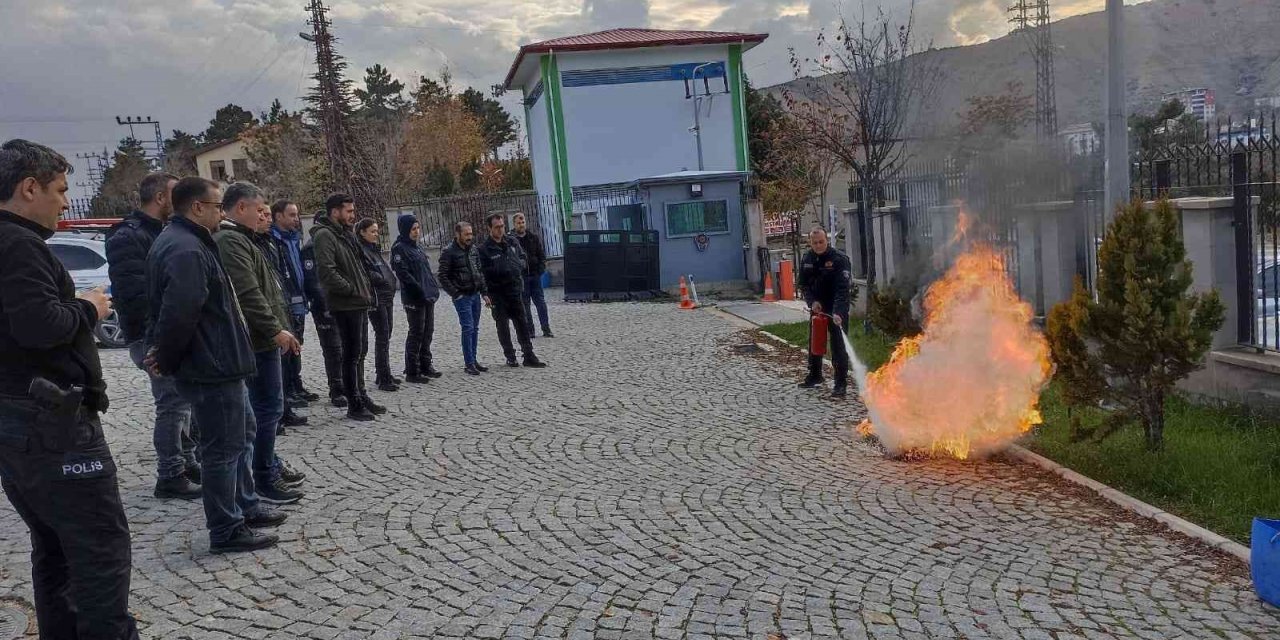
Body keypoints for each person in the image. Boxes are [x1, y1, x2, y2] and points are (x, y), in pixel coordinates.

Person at [0, 139, 140, 638]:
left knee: (56, 547)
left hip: (22, 420)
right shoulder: (18, 244)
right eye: (60, 190)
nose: (65, 201)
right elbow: (40, 325)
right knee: (100, 548)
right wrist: (90, 309)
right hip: (52, 422)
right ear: (29, 187)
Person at [146, 176, 285, 554]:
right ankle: (226, 528)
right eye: (216, 205)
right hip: (212, 365)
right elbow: (179, 314)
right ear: (196, 208)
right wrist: (167, 360)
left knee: (242, 434)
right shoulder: (185, 249)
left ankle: (246, 503)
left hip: (223, 362)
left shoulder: (189, 241)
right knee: (221, 448)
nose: (221, 212)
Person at [106, 171, 202, 500]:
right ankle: (170, 473)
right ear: (161, 198)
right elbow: (135, 295)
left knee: (183, 402)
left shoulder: (163, 231)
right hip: (150, 336)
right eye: (175, 196)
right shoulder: (127, 236)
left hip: (169, 331)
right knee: (171, 404)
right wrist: (160, 340)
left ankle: (187, 462)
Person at [213, 184, 305, 504]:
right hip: (257, 340)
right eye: (259, 209)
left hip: (264, 338)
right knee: (266, 410)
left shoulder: (245, 239)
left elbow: (268, 290)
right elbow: (248, 294)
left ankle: (267, 467)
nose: (263, 214)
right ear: (241, 208)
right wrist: (275, 330)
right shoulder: (230, 242)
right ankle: (263, 476)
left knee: (268, 409)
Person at [311, 194, 384, 421]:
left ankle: (361, 395)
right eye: (349, 211)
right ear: (335, 212)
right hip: (345, 304)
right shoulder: (325, 235)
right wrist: (353, 289)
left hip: (357, 303)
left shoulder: (344, 234)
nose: (353, 216)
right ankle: (353, 402)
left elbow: (358, 265)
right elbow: (327, 272)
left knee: (359, 352)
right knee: (350, 354)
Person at [268, 199, 318, 425]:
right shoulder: (273, 239)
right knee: (286, 349)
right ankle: (287, 390)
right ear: (278, 216)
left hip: (299, 299)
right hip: (285, 301)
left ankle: (296, 386)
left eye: (297, 215)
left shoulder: (293, 239)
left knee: (297, 345)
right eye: (292, 215)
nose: (296, 219)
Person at [478, 213, 547, 369]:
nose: (500, 230)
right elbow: (482, 272)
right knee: (502, 326)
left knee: (522, 323)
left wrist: (517, 267)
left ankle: (529, 355)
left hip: (514, 289)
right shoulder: (484, 249)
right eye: (497, 227)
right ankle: (510, 356)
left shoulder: (512, 241)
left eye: (502, 226)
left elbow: (523, 257)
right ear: (490, 228)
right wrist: (486, 291)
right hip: (497, 292)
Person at [797, 227, 852, 398]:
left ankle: (840, 383)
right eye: (815, 243)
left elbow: (842, 290)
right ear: (810, 243)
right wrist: (812, 302)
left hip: (836, 308)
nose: (819, 245)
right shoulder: (807, 258)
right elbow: (803, 285)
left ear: (826, 241)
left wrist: (838, 313)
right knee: (815, 341)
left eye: (821, 242)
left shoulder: (839, 259)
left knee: (838, 346)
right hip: (817, 308)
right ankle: (815, 375)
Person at [301, 212, 346, 408]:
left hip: (341, 304)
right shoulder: (311, 248)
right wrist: (327, 303)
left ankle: (348, 384)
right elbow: (313, 282)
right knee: (333, 350)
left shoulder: (337, 242)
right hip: (325, 307)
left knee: (346, 348)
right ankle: (336, 389)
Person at [391, 213, 442, 384]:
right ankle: (412, 370)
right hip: (414, 298)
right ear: (405, 230)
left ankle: (426, 364)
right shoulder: (399, 248)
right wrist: (420, 291)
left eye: (418, 228)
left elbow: (426, 272)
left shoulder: (418, 247)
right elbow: (404, 274)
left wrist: (432, 289)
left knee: (428, 331)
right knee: (416, 333)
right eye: (413, 229)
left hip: (427, 296)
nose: (416, 232)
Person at [437, 221, 489, 375]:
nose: (469, 237)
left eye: (471, 234)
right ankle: (469, 363)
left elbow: (479, 271)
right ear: (457, 234)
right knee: (468, 328)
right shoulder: (449, 252)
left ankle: (473, 359)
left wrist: (484, 292)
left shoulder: (473, 249)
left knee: (475, 328)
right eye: (466, 234)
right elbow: (442, 276)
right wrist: (456, 294)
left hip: (475, 294)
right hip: (462, 296)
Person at [355, 218, 400, 392]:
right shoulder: (362, 251)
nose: (376, 235)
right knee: (382, 336)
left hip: (386, 296)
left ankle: (384, 373)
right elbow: (368, 273)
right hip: (376, 298)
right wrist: (382, 280)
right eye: (372, 231)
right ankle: (383, 376)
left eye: (376, 231)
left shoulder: (374, 249)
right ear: (362, 232)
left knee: (387, 335)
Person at [512, 212, 553, 338]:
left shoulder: (533, 237)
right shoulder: (511, 240)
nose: (521, 225)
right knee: (525, 305)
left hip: (535, 276)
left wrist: (541, 268)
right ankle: (530, 330)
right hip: (521, 277)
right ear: (514, 224)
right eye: (519, 223)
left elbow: (541, 255)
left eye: (523, 222)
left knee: (540, 303)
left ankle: (546, 328)